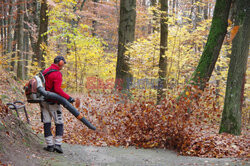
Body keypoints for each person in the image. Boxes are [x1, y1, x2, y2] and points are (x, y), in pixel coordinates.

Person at [40, 56, 75, 153]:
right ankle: (58, 145)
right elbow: (57, 89)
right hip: (54, 102)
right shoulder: (57, 74)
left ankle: (50, 145)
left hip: (43, 101)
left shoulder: (45, 71)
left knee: (47, 123)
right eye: (63, 63)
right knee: (59, 123)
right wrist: (69, 98)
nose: (63, 66)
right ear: (60, 62)